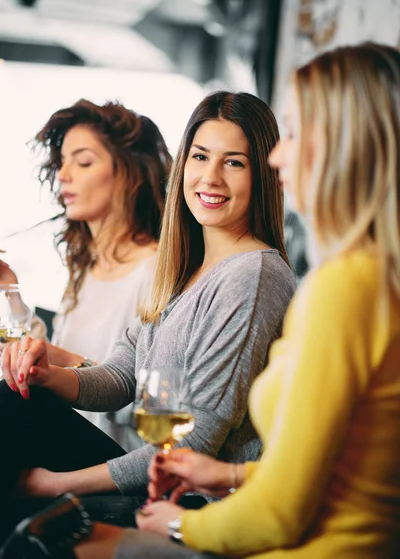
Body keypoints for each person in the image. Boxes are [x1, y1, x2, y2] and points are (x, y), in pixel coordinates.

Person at [71, 42, 400, 558]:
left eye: (293, 132)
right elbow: (317, 467)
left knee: (56, 536)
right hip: (247, 512)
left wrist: (179, 527)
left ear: (346, 145)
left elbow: (278, 512)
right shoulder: (360, 280)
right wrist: (228, 473)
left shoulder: (336, 287)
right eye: (200, 157)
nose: (278, 155)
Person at [0, 91, 296, 542]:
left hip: (194, 501)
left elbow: (193, 444)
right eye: (200, 157)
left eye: (234, 162)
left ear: (264, 175)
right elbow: (121, 376)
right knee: (17, 397)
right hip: (157, 478)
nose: (211, 177)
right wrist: (47, 376)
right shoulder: (182, 269)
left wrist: (53, 484)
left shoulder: (252, 276)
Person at [0, 99, 172, 451]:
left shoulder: (155, 272)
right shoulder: (87, 266)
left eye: (83, 162)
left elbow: (154, 404)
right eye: (62, 162)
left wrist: (57, 361)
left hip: (116, 461)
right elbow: (39, 350)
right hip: (61, 438)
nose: (63, 174)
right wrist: (8, 288)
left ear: (129, 172)